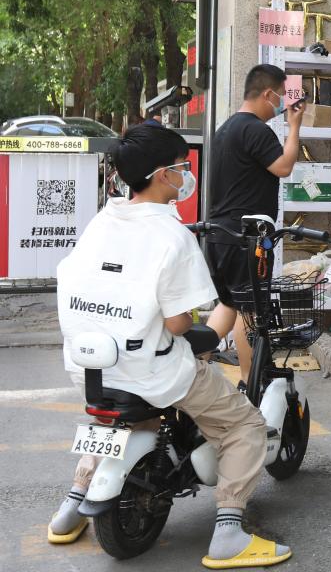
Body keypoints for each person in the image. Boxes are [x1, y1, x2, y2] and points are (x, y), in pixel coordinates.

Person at [51, 123, 291, 568]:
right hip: (153, 369)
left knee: (124, 424)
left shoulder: (102, 219)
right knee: (244, 427)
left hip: (93, 367)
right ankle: (228, 533)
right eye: (182, 166)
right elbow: (180, 323)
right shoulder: (172, 236)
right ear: (163, 174)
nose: (186, 174)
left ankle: (71, 505)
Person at [205, 64, 304, 387]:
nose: (280, 104)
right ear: (267, 93)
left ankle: (191, 365)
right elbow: (284, 166)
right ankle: (250, 385)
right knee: (249, 312)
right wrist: (294, 125)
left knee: (229, 304)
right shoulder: (255, 129)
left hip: (220, 236)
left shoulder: (225, 129)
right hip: (247, 239)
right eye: (279, 96)